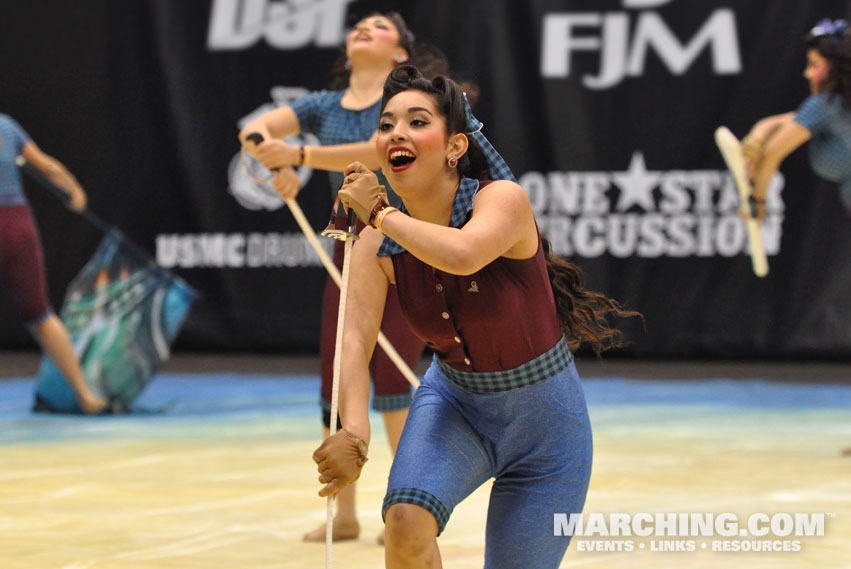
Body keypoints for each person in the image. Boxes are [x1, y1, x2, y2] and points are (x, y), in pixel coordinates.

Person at [313, 65, 639, 569]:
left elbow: (463, 255)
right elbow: (355, 337)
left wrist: (380, 215)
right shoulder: (375, 240)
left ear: (455, 147)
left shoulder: (500, 201)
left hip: (547, 429)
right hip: (454, 405)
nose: (396, 132)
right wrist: (353, 431)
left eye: (417, 121)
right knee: (404, 521)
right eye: (386, 124)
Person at [239, 12, 436, 543]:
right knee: (339, 378)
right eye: (359, 25)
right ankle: (344, 513)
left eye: (382, 25)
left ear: (401, 53)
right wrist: (267, 156)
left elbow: (381, 152)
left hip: (405, 249)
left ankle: (406, 508)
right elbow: (255, 129)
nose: (364, 28)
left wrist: (298, 154)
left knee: (394, 382)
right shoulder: (322, 107)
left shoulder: (400, 106)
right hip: (352, 255)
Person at [0, 113, 108, 415]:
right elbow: (48, 167)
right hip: (18, 225)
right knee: (42, 315)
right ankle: (85, 395)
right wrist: (74, 190)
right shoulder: (5, 126)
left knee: (42, 315)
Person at [741, 18, 851, 220]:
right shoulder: (835, 109)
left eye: (814, 64)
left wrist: (757, 201)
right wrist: (755, 141)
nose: (807, 73)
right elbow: (776, 123)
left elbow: (773, 152)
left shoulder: (825, 104)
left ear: (835, 67)